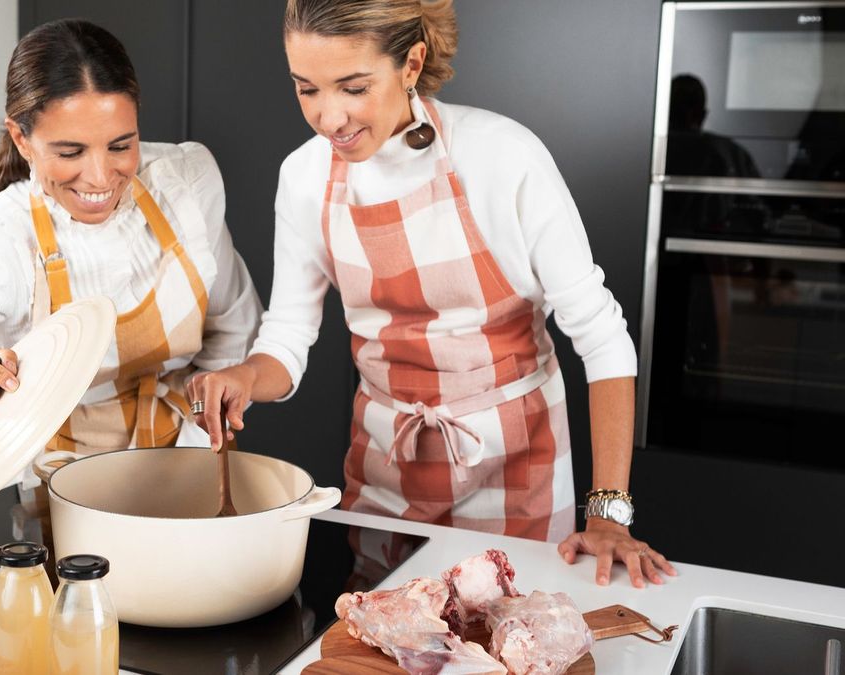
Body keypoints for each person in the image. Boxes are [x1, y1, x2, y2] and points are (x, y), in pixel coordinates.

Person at [190, 0, 676, 588]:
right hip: (387, 468)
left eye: (353, 87)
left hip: (515, 469)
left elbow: (603, 341)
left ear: (412, 63)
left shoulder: (501, 156)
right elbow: (289, 336)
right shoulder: (304, 177)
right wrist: (245, 378)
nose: (329, 117)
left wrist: (608, 515)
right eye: (307, 89)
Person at [0, 19, 262, 473]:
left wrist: (199, 429)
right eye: (70, 153)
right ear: (22, 138)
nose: (102, 178)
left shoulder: (184, 183)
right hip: (63, 487)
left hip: (192, 463)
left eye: (121, 145)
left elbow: (235, 324)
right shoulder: (1, 241)